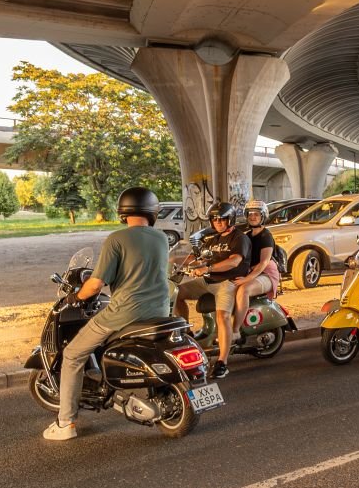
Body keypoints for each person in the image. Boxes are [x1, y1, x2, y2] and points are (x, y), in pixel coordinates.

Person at [43, 187, 172, 441]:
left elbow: (96, 284)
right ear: (152, 211)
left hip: (125, 312)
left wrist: (75, 297)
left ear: (123, 212)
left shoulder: (117, 239)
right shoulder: (161, 238)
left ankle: (65, 422)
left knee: (72, 354)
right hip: (160, 310)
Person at [175, 201, 251, 379]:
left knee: (222, 316)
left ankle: (222, 362)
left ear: (230, 219)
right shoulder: (213, 238)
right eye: (215, 219)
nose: (218, 222)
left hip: (227, 282)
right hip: (208, 281)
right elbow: (199, 257)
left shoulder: (239, 238)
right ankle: (187, 332)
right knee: (178, 292)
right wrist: (173, 260)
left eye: (222, 219)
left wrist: (207, 268)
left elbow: (234, 261)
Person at [231, 199, 281, 343]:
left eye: (257, 214)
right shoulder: (247, 235)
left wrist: (246, 280)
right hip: (251, 272)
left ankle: (235, 332)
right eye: (250, 214)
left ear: (263, 216)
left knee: (243, 290)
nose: (253, 217)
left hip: (266, 273)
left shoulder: (266, 236)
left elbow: (263, 262)